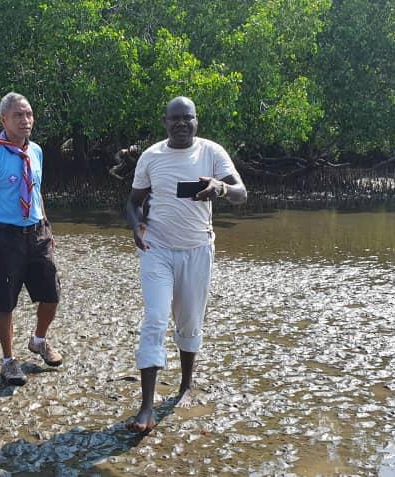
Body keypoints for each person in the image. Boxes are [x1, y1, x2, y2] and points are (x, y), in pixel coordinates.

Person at [124, 96, 247, 433]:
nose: (180, 124)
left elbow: (242, 193)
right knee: (155, 319)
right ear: (165, 122)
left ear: (196, 121)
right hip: (157, 249)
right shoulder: (151, 156)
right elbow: (133, 203)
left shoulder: (211, 152)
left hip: (197, 250)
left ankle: (185, 385)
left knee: (190, 321)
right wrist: (137, 227)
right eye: (174, 118)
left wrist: (219, 187)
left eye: (187, 118)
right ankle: (146, 408)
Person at [0, 92, 63, 386]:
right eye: (18, 115)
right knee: (5, 302)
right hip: (6, 237)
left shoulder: (35, 151)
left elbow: (36, 191)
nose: (25, 121)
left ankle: (39, 340)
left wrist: (47, 228)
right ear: (3, 119)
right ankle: (8, 361)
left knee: (51, 294)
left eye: (29, 114)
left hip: (37, 232)